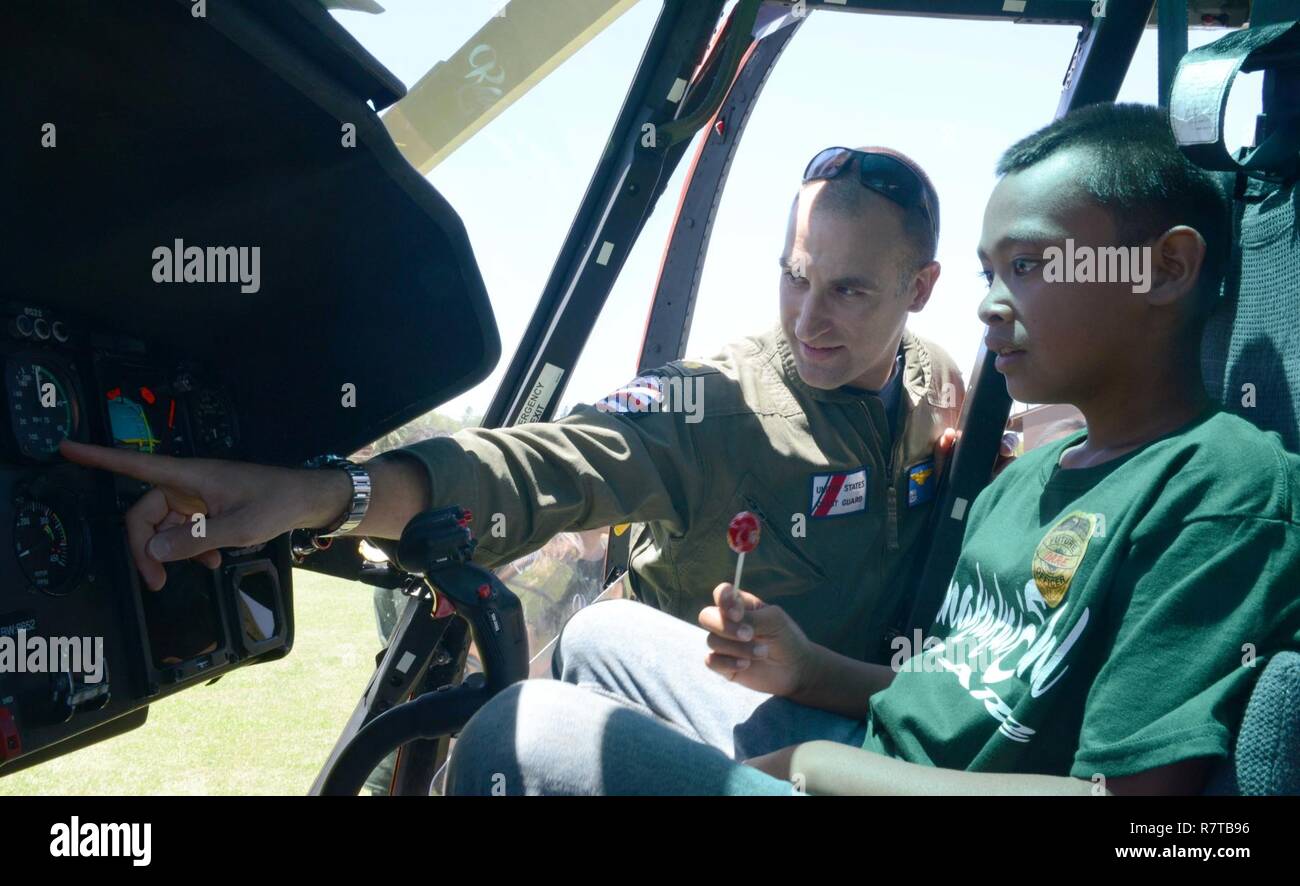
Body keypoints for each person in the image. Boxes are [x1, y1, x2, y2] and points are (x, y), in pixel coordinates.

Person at [440, 102, 1300, 796]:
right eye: (986, 273)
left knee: (524, 737)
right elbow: (951, 698)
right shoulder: (1021, 482)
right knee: (600, 633)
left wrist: (820, 770)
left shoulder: (1222, 490)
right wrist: (808, 667)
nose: (991, 306)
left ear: (1164, 270)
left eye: (1030, 265)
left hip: (876, 778)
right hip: (876, 752)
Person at [59, 146, 966, 663]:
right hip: (690, 734)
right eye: (795, 278)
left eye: (849, 292)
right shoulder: (719, 405)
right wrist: (327, 495)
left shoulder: (939, 382)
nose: (808, 320)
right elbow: (545, 464)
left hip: (848, 733)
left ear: (920, 287)